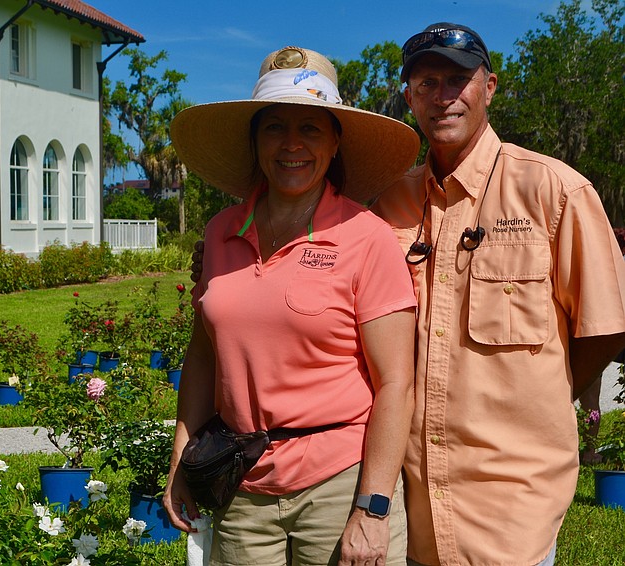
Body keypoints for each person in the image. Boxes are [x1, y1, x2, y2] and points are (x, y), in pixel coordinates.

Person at [368, 22, 625, 566]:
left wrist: (544, 393)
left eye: (458, 79)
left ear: (489, 87)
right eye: (427, 82)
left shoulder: (555, 191)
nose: (443, 96)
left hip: (512, 508)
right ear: (409, 97)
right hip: (409, 508)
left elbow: (605, 328)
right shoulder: (388, 204)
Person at [163, 46, 421, 566]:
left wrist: (372, 507)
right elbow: (203, 356)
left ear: (335, 142)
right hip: (240, 484)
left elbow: (396, 382)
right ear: (255, 141)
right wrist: (179, 459)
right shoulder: (220, 232)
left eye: (310, 128)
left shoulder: (365, 237)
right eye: (275, 127)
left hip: (340, 484)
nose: (291, 144)